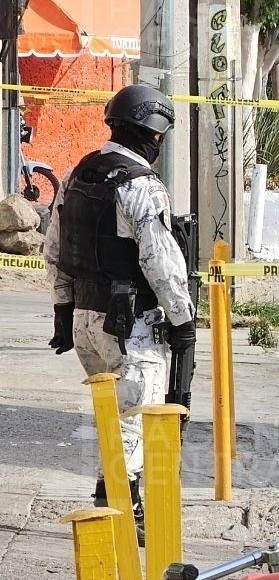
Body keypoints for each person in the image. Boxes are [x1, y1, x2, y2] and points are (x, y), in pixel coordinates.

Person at [44, 84, 197, 544]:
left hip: (86, 322)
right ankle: (120, 515)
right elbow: (161, 262)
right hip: (130, 327)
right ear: (152, 136)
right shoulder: (141, 186)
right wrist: (184, 322)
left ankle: (114, 503)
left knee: (112, 418)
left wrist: (62, 310)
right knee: (132, 421)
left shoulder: (77, 173)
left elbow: (54, 251)